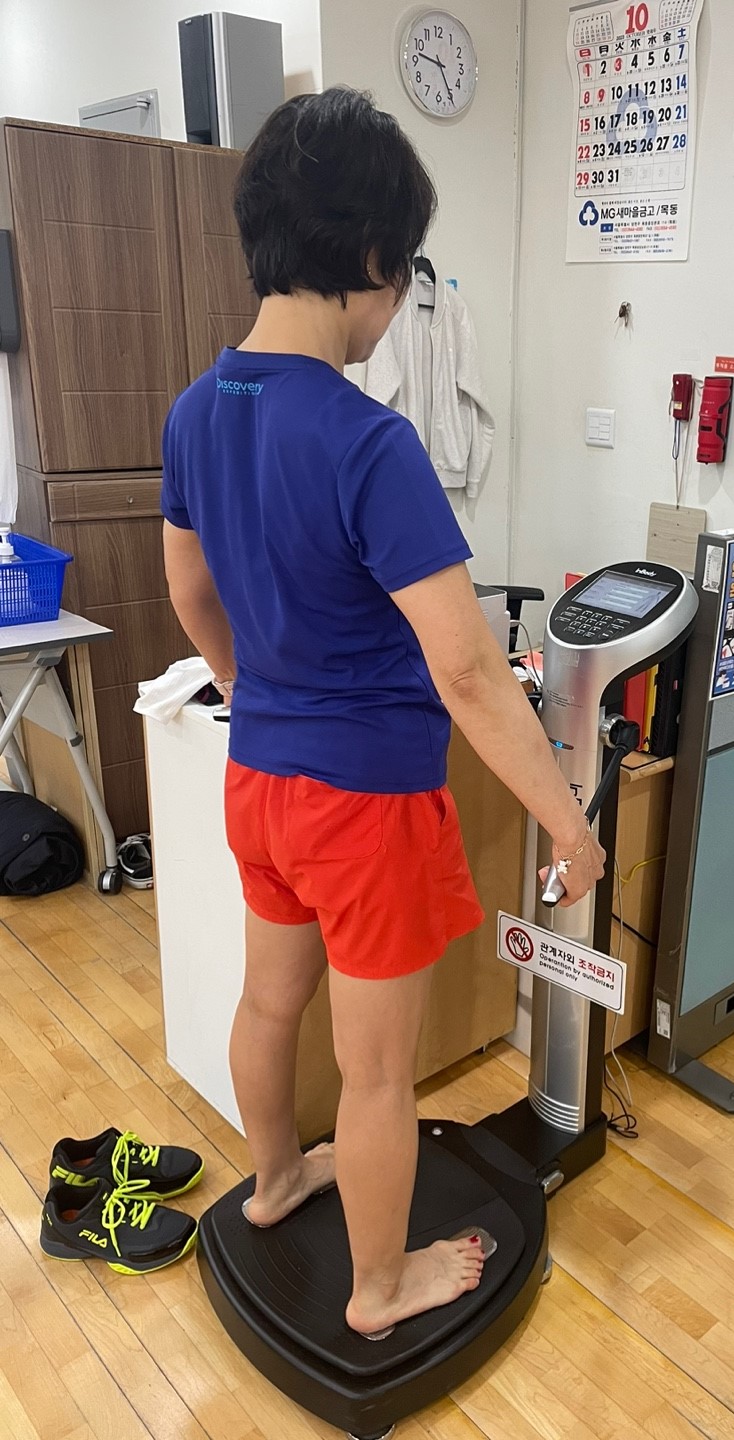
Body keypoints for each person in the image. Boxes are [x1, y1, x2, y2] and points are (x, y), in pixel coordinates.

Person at [162, 87, 605, 1340]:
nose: (397, 305)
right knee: (372, 1073)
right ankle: (375, 1286)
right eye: (403, 275)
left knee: (268, 1005)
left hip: (259, 784)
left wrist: (250, 689)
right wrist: (566, 822)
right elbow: (468, 674)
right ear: (369, 257)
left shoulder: (195, 411)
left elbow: (188, 592)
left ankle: (272, 1181)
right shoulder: (369, 442)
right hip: (364, 806)